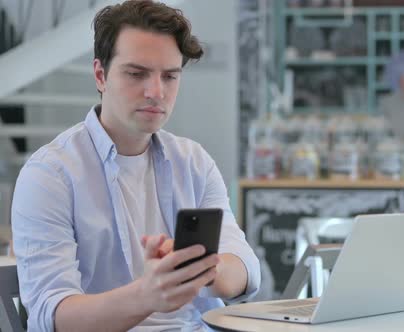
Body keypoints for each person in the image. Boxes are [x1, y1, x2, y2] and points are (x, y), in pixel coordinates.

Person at [11, 1, 260, 331]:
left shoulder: (194, 162)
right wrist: (147, 295)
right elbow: (52, 317)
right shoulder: (49, 174)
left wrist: (201, 269)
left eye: (170, 76)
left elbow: (245, 270)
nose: (156, 92)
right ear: (101, 75)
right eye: (136, 73)